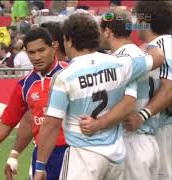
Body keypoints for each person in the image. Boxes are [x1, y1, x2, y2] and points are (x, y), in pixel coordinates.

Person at [33, 13, 163, 180]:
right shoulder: (120, 64)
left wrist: (40, 166)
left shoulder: (64, 77)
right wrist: (149, 47)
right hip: (116, 156)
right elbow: (158, 57)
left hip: (84, 156)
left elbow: (50, 125)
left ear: (70, 40)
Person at [0, 28, 69, 180]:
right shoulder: (24, 85)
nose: (37, 57)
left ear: (53, 47)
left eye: (41, 50)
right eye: (31, 53)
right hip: (43, 155)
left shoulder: (70, 73)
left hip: (73, 151)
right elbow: (6, 124)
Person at [100, 8, 160, 180]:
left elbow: (125, 103)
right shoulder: (144, 55)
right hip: (150, 139)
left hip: (131, 140)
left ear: (107, 31)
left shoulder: (121, 60)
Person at [133, 2, 172, 180]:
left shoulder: (161, 45)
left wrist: (142, 115)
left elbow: (169, 88)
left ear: (143, 21)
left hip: (164, 129)